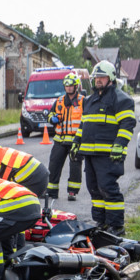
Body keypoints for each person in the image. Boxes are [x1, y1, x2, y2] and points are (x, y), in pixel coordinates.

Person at [70, 61, 135, 236]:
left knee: (108, 188)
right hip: (89, 154)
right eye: (96, 77)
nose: (98, 80)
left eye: (102, 77)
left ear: (111, 78)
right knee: (94, 189)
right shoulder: (89, 100)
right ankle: (102, 223)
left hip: (108, 155)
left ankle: (117, 226)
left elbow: (127, 124)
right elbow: (84, 125)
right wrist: (76, 142)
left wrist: (119, 146)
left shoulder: (121, 99)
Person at [46, 73, 85, 201]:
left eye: (71, 85)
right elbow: (50, 114)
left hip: (76, 141)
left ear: (76, 86)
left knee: (75, 168)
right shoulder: (59, 101)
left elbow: (88, 119)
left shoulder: (83, 101)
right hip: (60, 140)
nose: (68, 88)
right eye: (66, 85)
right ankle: (51, 192)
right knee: (54, 165)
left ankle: (72, 192)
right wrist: (53, 119)